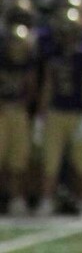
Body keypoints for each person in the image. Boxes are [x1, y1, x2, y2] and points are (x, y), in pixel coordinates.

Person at [36, 4, 82, 218]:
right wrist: (40, 116)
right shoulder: (52, 54)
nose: (66, 35)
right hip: (56, 112)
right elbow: (47, 86)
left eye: (69, 30)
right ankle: (46, 201)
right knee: (50, 161)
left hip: (78, 113)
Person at [0, 20, 36, 215]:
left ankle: (16, 198)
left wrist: (24, 104)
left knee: (18, 159)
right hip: (2, 112)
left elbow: (31, 89)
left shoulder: (28, 63)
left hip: (18, 113)